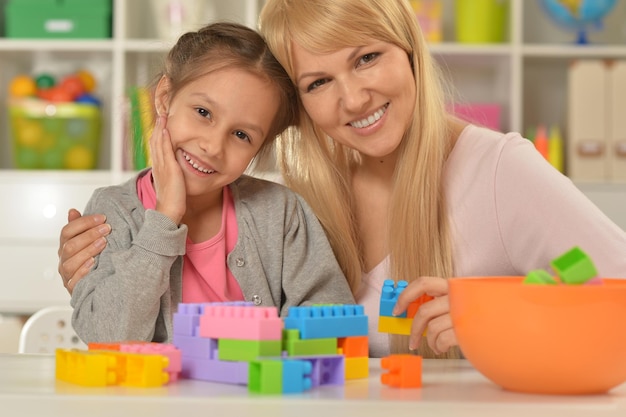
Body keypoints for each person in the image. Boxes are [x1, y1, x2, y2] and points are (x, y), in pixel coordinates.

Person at [58, 1, 626, 357]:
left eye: (366, 57)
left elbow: (612, 289)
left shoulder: (501, 170)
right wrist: (111, 264)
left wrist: (500, 312)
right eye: (317, 82)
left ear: (408, 49)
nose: (353, 98)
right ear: (297, 108)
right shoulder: (304, 195)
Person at [64, 21, 354, 344]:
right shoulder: (113, 210)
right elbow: (108, 338)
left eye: (242, 135)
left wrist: (264, 344)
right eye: (203, 112)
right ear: (164, 97)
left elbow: (333, 317)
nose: (214, 146)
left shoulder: (280, 213)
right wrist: (164, 218)